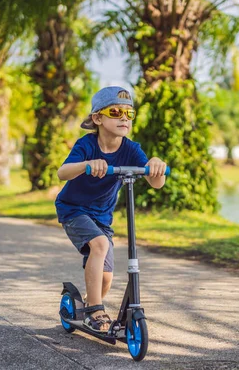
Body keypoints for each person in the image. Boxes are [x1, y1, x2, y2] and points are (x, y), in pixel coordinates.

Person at [56, 86, 167, 333]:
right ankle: (95, 310)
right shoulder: (86, 145)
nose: (124, 118)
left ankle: (86, 305)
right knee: (100, 245)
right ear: (98, 118)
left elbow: (156, 183)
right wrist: (86, 164)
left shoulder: (131, 149)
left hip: (102, 217)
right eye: (115, 112)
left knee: (105, 278)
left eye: (129, 113)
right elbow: (62, 172)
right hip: (74, 209)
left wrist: (155, 166)